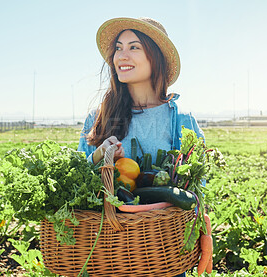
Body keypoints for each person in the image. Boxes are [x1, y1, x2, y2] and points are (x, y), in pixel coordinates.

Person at [78, 17, 205, 277]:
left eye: (134, 47)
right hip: (107, 252)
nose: (121, 55)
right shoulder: (97, 118)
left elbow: (198, 190)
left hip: (163, 253)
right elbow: (77, 180)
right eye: (118, 47)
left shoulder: (180, 119)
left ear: (155, 57)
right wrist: (100, 157)